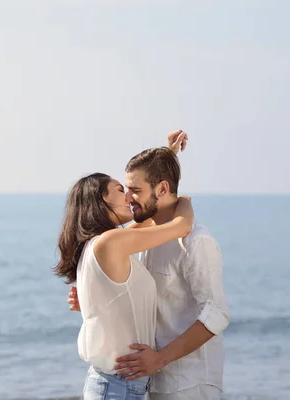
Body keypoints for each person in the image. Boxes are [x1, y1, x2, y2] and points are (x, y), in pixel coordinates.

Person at [68, 132, 231, 400]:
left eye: (134, 190)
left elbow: (217, 314)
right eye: (125, 190)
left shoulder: (197, 242)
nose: (129, 197)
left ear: (163, 189)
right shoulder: (141, 239)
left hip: (188, 382)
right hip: (148, 378)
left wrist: (160, 359)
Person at [54, 161, 195, 399]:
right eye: (121, 190)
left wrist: (167, 158)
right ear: (101, 200)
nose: (129, 197)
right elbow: (181, 226)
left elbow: (147, 216)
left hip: (116, 385)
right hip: (117, 387)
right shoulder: (110, 243)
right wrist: (185, 201)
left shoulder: (99, 244)